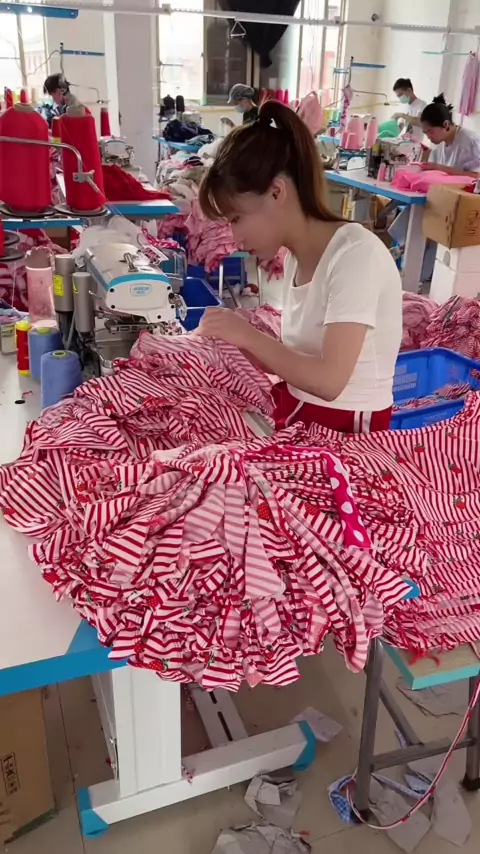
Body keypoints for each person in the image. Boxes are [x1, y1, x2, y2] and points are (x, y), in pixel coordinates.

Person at [197, 100, 402, 434]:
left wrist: (246, 334)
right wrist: (232, 340)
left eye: (236, 218)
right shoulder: (296, 258)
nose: (234, 238)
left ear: (276, 192)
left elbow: (329, 382)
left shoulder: (355, 256)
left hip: (347, 428)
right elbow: (295, 362)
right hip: (303, 413)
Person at [419, 94, 480, 177]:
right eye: (425, 133)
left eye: (431, 132)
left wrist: (439, 168)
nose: (428, 137)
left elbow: (477, 175)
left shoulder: (470, 142)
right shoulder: (439, 144)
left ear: (446, 125)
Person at [391, 77, 426, 142]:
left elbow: (420, 122)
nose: (400, 98)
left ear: (409, 90)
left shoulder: (422, 105)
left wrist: (401, 115)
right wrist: (392, 124)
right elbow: (401, 127)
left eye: (401, 95)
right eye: (398, 96)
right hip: (403, 142)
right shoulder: (404, 106)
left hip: (415, 144)